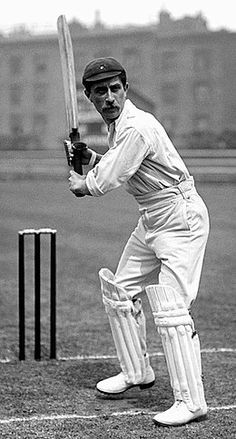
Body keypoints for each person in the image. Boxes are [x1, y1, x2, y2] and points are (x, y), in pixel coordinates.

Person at [67, 57, 210, 427]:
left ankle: (191, 401)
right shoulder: (120, 128)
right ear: (90, 97)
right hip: (152, 216)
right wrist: (93, 157)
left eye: (116, 89)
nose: (110, 97)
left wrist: (84, 182)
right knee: (120, 290)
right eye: (101, 91)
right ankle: (137, 372)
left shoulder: (136, 125)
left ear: (126, 90)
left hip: (179, 217)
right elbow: (126, 163)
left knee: (172, 308)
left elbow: (106, 180)